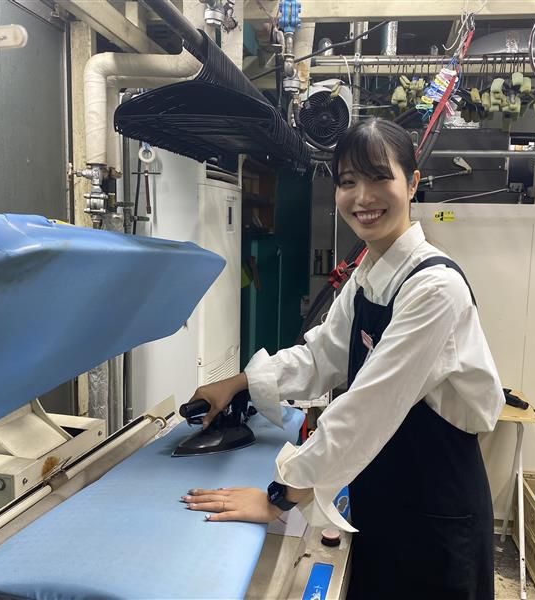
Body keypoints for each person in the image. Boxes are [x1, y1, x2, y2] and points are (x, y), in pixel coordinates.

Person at [182, 118, 504, 599]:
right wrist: (240, 382)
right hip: (384, 495)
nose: (362, 197)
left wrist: (279, 497)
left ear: (412, 183)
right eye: (348, 181)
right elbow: (321, 357)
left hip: (435, 517)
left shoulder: (435, 289)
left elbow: (367, 409)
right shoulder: (369, 275)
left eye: (379, 178)